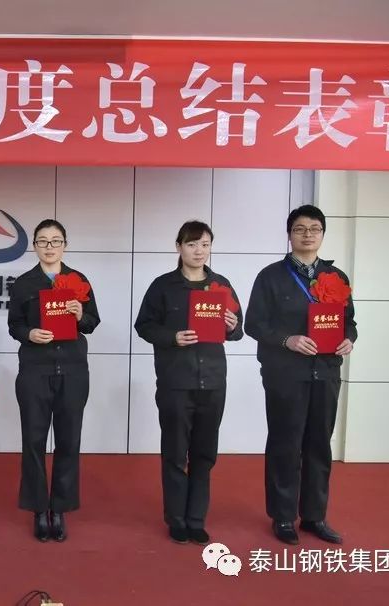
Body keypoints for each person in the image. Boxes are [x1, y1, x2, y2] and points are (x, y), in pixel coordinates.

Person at [245, 205, 357, 546]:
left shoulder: (336, 278)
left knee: (319, 445)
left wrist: (349, 339)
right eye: (300, 228)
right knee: (286, 443)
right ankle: (282, 516)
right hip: (285, 374)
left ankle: (314, 516)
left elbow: (349, 321)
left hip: (326, 372)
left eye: (314, 228)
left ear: (322, 234)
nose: (307, 234)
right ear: (289, 234)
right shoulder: (271, 276)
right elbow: (254, 324)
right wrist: (287, 340)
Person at [134, 221, 243, 545]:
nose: (199, 251)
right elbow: (144, 326)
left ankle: (196, 519)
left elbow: (237, 331)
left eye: (205, 245)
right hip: (176, 382)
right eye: (192, 244)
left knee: (204, 454)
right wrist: (173, 337)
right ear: (179, 247)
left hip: (213, 381)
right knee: (175, 452)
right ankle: (176, 519)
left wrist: (232, 325)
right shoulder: (163, 287)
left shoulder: (221, 286)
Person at [8, 219, 100, 543]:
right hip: (35, 371)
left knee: (68, 441)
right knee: (33, 441)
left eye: (56, 241)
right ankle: (38, 508)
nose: (49, 247)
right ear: (34, 245)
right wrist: (29, 333)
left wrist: (80, 314)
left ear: (65, 245)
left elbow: (92, 322)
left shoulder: (79, 280)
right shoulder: (24, 284)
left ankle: (59, 508)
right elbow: (14, 325)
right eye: (43, 241)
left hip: (73, 371)